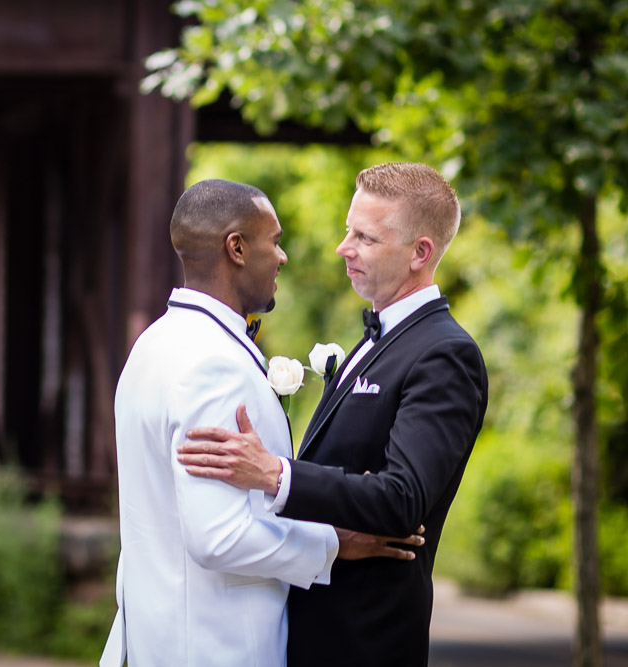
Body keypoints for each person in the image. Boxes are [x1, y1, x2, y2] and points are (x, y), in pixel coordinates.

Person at [100, 179, 422, 667]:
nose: (283, 256)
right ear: (236, 248)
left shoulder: (155, 343)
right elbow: (218, 536)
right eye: (274, 241)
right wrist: (333, 544)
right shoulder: (212, 364)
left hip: (156, 639)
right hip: (214, 648)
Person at [177, 163, 489, 666]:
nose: (344, 248)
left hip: (365, 639)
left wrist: (275, 474)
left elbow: (403, 498)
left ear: (420, 253)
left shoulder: (444, 354)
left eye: (364, 237)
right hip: (315, 632)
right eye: (349, 230)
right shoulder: (375, 339)